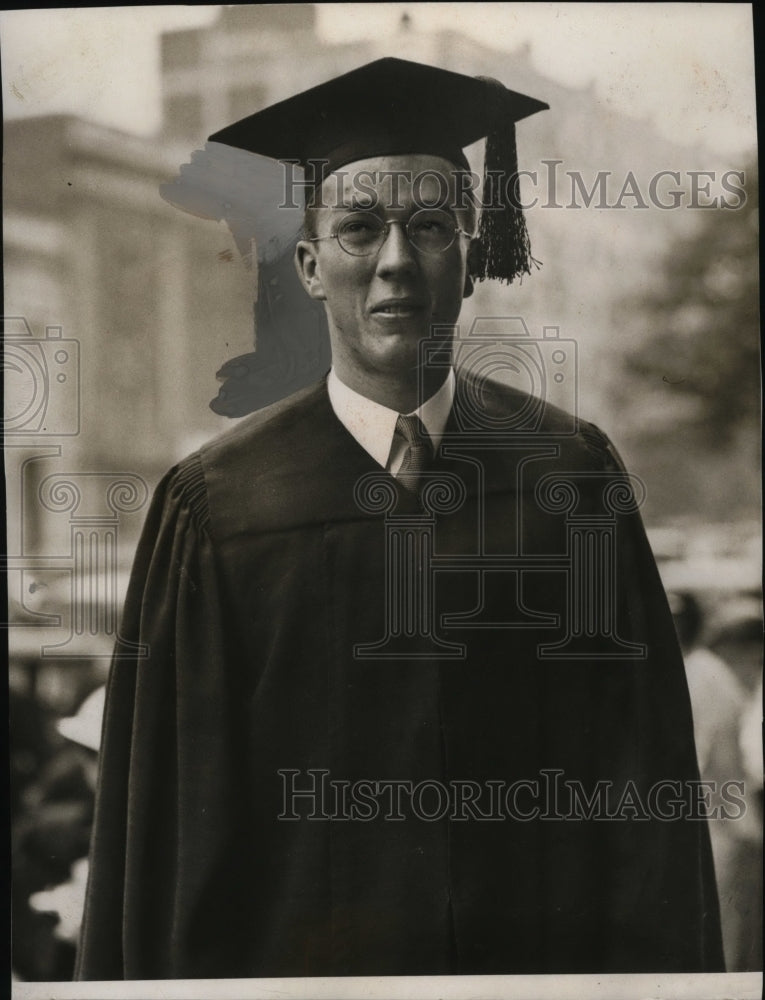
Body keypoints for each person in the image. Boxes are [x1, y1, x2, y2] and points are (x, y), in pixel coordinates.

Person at [75, 58, 724, 979]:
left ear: (471, 251)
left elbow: (641, 786)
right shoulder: (218, 507)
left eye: (428, 227)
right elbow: (173, 833)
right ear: (307, 265)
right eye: (357, 228)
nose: (394, 261)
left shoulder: (569, 477)